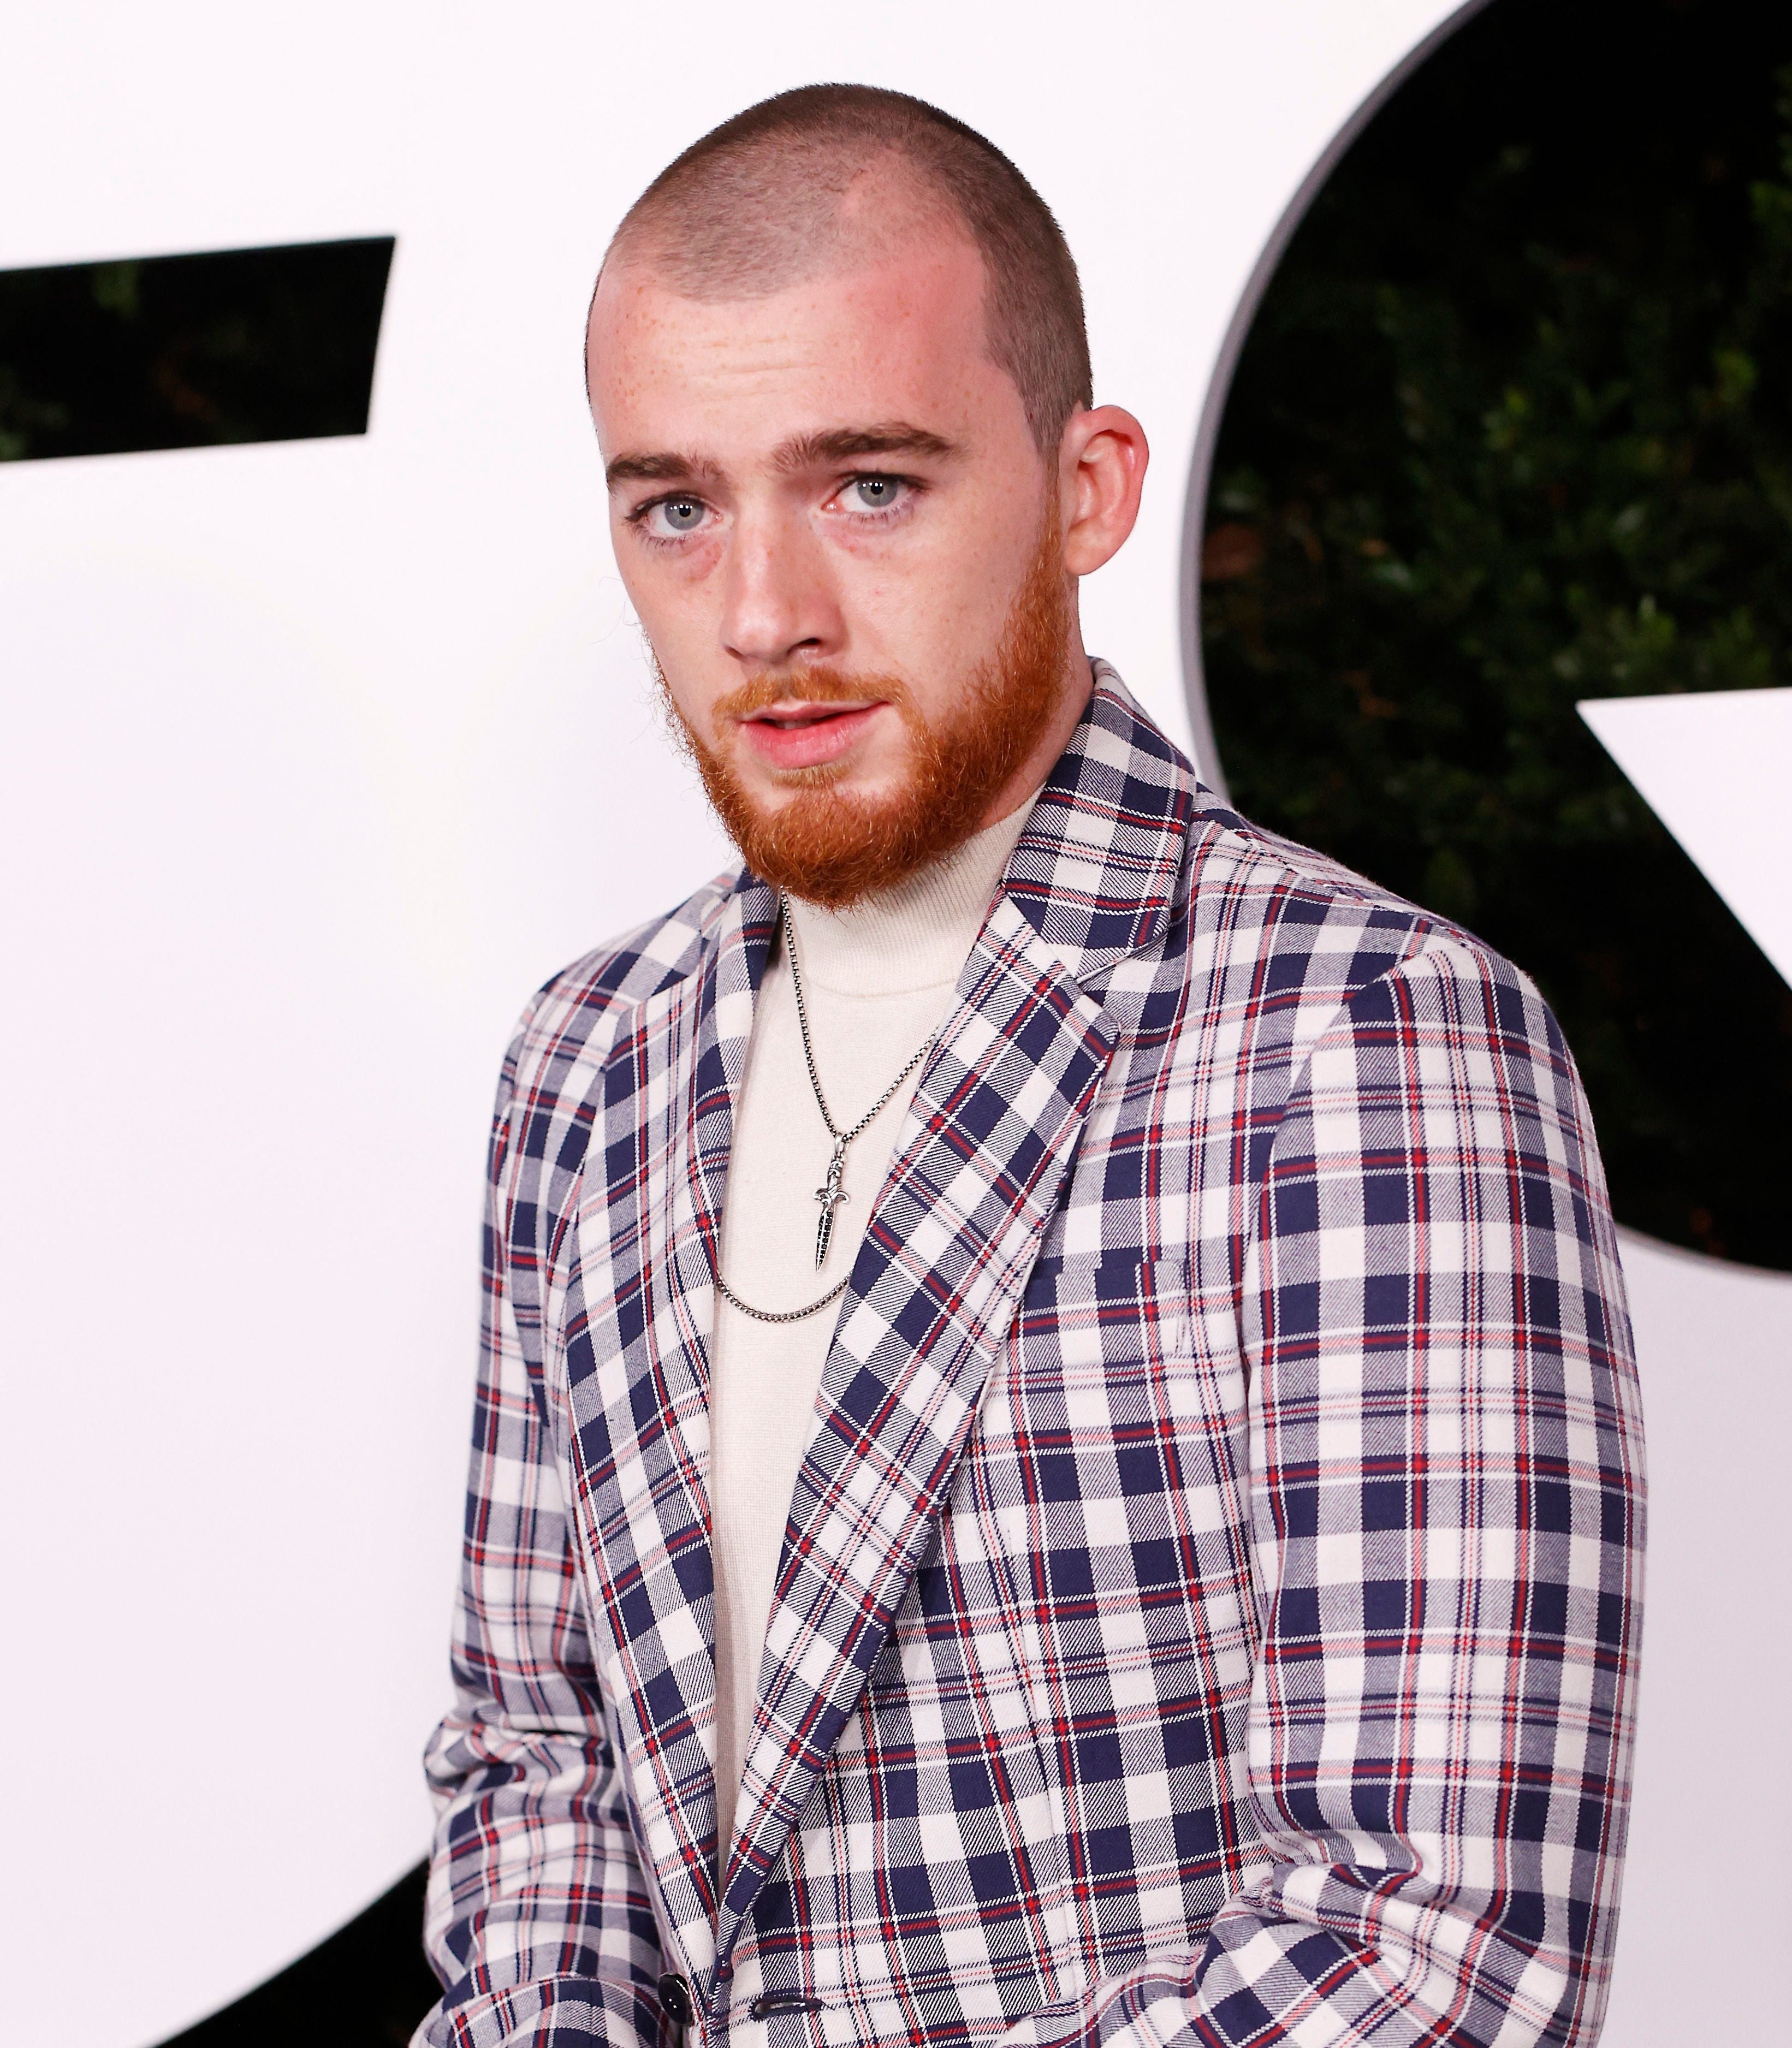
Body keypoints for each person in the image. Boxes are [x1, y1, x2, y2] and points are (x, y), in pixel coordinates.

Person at [416, 84, 1645, 2048]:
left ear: (1086, 488)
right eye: (677, 503)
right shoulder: (587, 1064)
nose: (763, 615)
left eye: (870, 484)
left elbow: (1425, 1964)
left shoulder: (1362, 1040)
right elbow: (544, 1767)